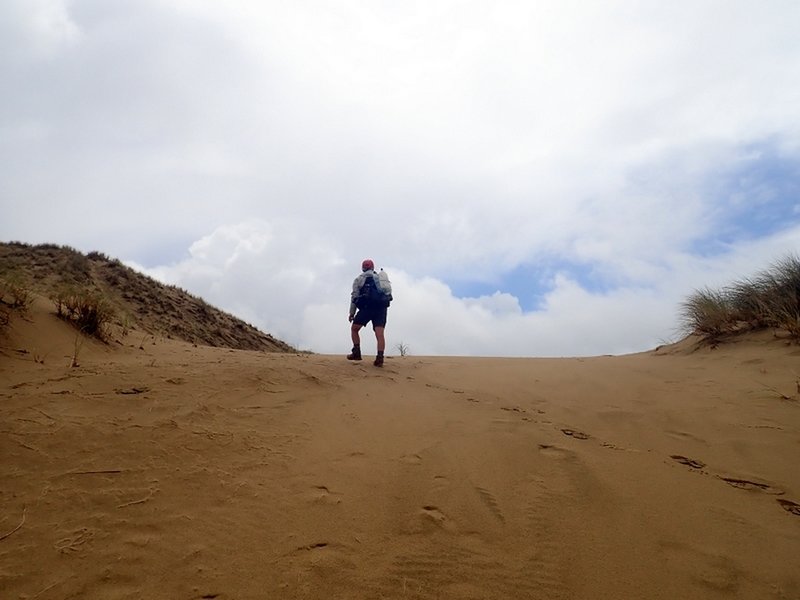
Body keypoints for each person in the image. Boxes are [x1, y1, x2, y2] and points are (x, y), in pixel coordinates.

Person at [347, 258, 390, 367]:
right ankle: (380, 358)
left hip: (366, 308)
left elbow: (354, 297)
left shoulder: (358, 279)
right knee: (380, 334)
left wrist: (352, 313)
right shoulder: (380, 278)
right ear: (372, 267)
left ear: (363, 268)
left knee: (354, 329)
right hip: (381, 309)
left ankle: (356, 353)